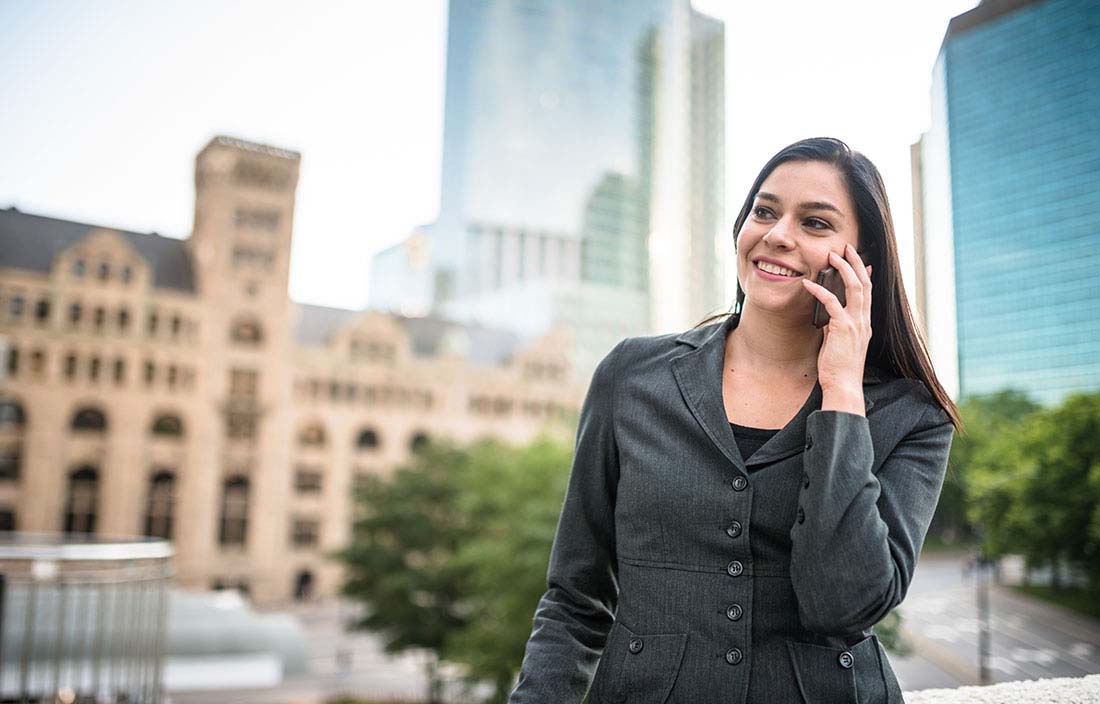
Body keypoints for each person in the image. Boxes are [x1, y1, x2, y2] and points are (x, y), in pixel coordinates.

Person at [508, 137, 962, 704]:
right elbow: (576, 598)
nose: (777, 234)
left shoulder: (912, 416)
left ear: (861, 262)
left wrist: (842, 391)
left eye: (815, 223)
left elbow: (842, 605)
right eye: (765, 211)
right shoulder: (630, 377)